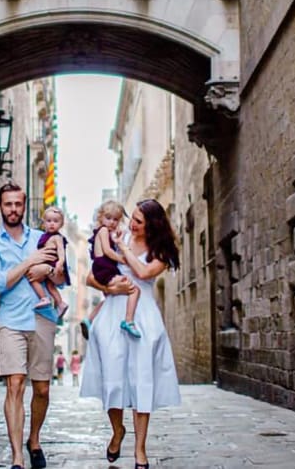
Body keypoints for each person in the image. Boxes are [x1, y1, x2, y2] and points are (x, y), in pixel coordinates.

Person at [79, 199, 181, 469]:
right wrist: (110, 289)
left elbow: (144, 272)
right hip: (112, 314)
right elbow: (90, 277)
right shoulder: (117, 236)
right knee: (112, 382)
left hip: (143, 317)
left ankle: (140, 449)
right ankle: (117, 430)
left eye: (138, 221)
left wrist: (122, 247)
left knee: (141, 382)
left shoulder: (162, 251)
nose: (131, 224)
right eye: (132, 218)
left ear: (152, 225)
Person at [0, 182, 66, 469]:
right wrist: (30, 263)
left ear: (24, 204)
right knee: (14, 385)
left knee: (41, 389)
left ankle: (34, 439)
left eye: (18, 204)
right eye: (8, 204)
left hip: (43, 319)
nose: (13, 209)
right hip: (12, 321)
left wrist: (49, 271)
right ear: (1, 206)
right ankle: (17, 457)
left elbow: (62, 279)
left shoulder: (44, 237)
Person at [81, 200, 141, 340]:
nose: (112, 222)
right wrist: (123, 259)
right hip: (105, 269)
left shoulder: (107, 232)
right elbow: (107, 251)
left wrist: (117, 238)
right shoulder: (102, 231)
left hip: (103, 268)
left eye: (116, 219)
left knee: (109, 298)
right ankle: (128, 321)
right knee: (134, 289)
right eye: (108, 218)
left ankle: (89, 319)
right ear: (100, 217)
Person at [28, 206, 70, 319]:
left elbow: (61, 252)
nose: (52, 224)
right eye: (49, 221)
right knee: (50, 285)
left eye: (56, 221)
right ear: (44, 223)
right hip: (47, 264)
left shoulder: (57, 237)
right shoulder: (45, 236)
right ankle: (60, 303)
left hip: (52, 265)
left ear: (61, 224)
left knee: (33, 279)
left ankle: (44, 298)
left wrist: (60, 263)